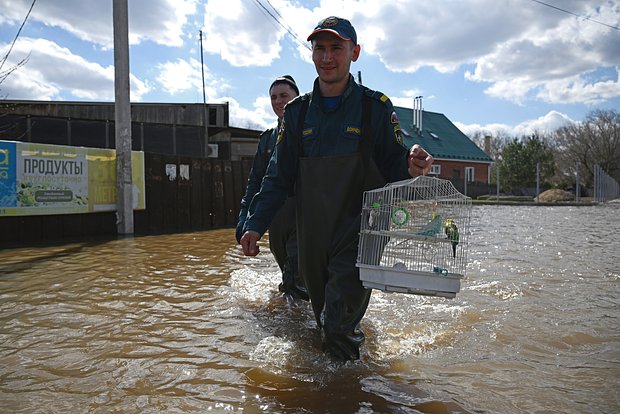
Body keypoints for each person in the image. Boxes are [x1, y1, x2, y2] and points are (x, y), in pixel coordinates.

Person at [240, 17, 433, 360]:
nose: (327, 57)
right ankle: (346, 377)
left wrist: (412, 164)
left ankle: (348, 395)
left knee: (336, 327)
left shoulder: (375, 108)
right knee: (322, 319)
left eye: (336, 48)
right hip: (313, 233)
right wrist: (255, 224)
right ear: (312, 54)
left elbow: (394, 164)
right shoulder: (297, 114)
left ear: (354, 53)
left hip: (363, 229)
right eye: (320, 48)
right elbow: (277, 177)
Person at [236, 75, 308, 301]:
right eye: (273, 97)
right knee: (286, 266)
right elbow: (255, 182)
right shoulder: (267, 139)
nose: (278, 102)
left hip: (306, 212)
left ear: (297, 97)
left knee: (296, 273)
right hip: (276, 214)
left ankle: (297, 327)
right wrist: (246, 222)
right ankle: (294, 316)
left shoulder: (311, 132)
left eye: (284, 96)